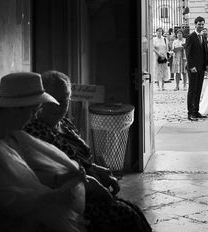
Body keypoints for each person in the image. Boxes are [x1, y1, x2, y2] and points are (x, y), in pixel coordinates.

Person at [0, 71, 95, 232]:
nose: (33, 118)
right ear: (16, 109)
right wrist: (59, 196)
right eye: (32, 111)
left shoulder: (6, 132)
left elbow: (27, 177)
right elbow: (9, 204)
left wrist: (61, 178)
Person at [24, 70, 152, 232]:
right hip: (70, 199)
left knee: (134, 212)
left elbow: (79, 158)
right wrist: (91, 181)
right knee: (127, 216)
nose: (58, 106)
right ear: (40, 100)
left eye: (64, 100)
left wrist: (97, 169)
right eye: (52, 100)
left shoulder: (64, 124)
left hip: (89, 189)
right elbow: (50, 174)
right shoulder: (34, 131)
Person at [184, 16, 208, 121]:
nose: (201, 26)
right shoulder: (191, 37)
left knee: (199, 89)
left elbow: (205, 53)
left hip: (201, 67)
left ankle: (196, 110)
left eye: (202, 24)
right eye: (199, 24)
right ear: (195, 24)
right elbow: (188, 53)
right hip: (193, 68)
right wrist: (192, 66)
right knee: (192, 90)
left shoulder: (203, 36)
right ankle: (190, 113)